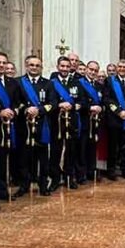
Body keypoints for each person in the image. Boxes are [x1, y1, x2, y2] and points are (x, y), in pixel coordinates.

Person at [15, 55, 55, 197]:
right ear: (26, 66)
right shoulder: (18, 82)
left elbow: (52, 103)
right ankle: (24, 185)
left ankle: (43, 185)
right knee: (23, 158)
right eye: (31, 65)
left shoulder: (48, 83)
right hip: (24, 126)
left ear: (41, 68)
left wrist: (40, 110)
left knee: (43, 158)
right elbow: (15, 103)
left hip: (42, 126)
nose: (34, 68)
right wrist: (25, 109)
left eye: (37, 65)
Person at [0, 52, 20, 201]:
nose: (1, 65)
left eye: (4, 63)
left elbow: (17, 102)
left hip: (8, 126)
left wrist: (13, 111)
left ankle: (1, 191)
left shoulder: (12, 82)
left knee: (1, 160)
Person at [103, 59, 125, 180]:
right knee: (113, 147)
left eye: (124, 67)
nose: (122, 69)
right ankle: (111, 171)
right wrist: (118, 111)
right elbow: (106, 99)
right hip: (114, 119)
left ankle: (124, 169)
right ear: (117, 68)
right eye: (120, 67)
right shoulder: (110, 81)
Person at [48, 56, 78, 190]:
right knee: (55, 150)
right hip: (56, 121)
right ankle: (55, 178)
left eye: (67, 66)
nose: (65, 69)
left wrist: (75, 105)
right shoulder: (51, 83)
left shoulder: (76, 82)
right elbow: (48, 101)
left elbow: (82, 100)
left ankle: (69, 177)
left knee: (71, 151)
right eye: (62, 66)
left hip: (71, 121)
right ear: (58, 67)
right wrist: (59, 104)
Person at [75, 61, 103, 183]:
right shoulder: (79, 84)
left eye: (95, 71)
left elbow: (103, 101)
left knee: (92, 147)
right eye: (91, 69)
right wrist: (90, 108)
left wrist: (101, 108)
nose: (93, 72)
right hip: (83, 120)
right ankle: (81, 174)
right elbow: (77, 102)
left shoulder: (98, 85)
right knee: (82, 148)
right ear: (86, 69)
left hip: (95, 122)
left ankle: (91, 171)